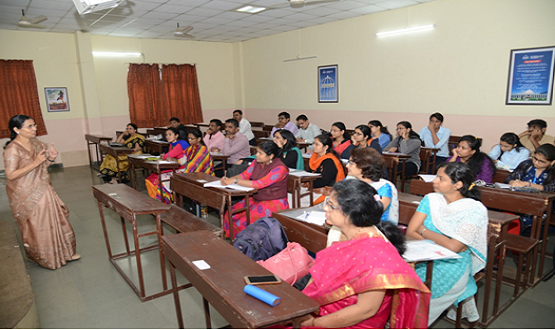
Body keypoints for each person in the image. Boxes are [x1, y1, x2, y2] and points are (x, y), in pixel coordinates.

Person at [299, 180, 430, 328]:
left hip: (350, 322)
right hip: (323, 309)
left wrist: (315, 323)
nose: (325, 208)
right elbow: (318, 278)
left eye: (331, 205)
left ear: (350, 213)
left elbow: (365, 310)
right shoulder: (348, 234)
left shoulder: (377, 254)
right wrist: (303, 308)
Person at [406, 162, 488, 325]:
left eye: (441, 178)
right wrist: (443, 242)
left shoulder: (474, 209)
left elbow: (454, 248)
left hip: (452, 265)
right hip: (422, 256)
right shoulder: (430, 199)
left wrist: (423, 231)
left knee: (418, 308)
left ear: (457, 185)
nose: (434, 181)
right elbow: (409, 232)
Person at [3, 114, 80, 269]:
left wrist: (50, 159)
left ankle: (65, 253)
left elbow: (41, 168)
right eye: (29, 126)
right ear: (17, 129)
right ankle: (45, 257)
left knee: (56, 220)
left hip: (43, 187)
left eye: (35, 125)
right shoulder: (12, 149)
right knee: (39, 225)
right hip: (26, 193)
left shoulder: (36, 144)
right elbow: (10, 175)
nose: (34, 129)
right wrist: (36, 162)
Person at [220, 141, 289, 237]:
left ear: (271, 156)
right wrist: (229, 179)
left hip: (273, 201)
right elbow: (245, 175)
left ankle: (247, 244)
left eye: (260, 153)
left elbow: (259, 184)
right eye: (257, 152)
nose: (257, 155)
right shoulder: (256, 162)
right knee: (231, 213)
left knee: (247, 221)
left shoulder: (280, 168)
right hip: (256, 197)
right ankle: (235, 240)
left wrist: (234, 181)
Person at [505, 144, 555, 234]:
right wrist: (513, 182)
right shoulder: (527, 164)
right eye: (535, 158)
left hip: (540, 207)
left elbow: (551, 188)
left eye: (541, 161)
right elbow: (508, 178)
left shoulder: (553, 172)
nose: (536, 163)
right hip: (518, 202)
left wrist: (528, 184)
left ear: (552, 162)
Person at [345, 148, 398, 224]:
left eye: (351, 163)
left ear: (363, 165)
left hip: (377, 229)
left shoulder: (383, 187)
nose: (347, 166)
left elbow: (372, 214)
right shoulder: (350, 181)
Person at [145, 127, 192, 203]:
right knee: (150, 179)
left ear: (176, 135)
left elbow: (168, 156)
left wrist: (165, 156)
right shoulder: (171, 144)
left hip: (183, 169)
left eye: (170, 134)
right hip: (174, 167)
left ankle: (164, 202)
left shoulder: (182, 143)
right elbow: (168, 156)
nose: (167, 136)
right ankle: (156, 202)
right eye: (166, 135)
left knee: (157, 180)